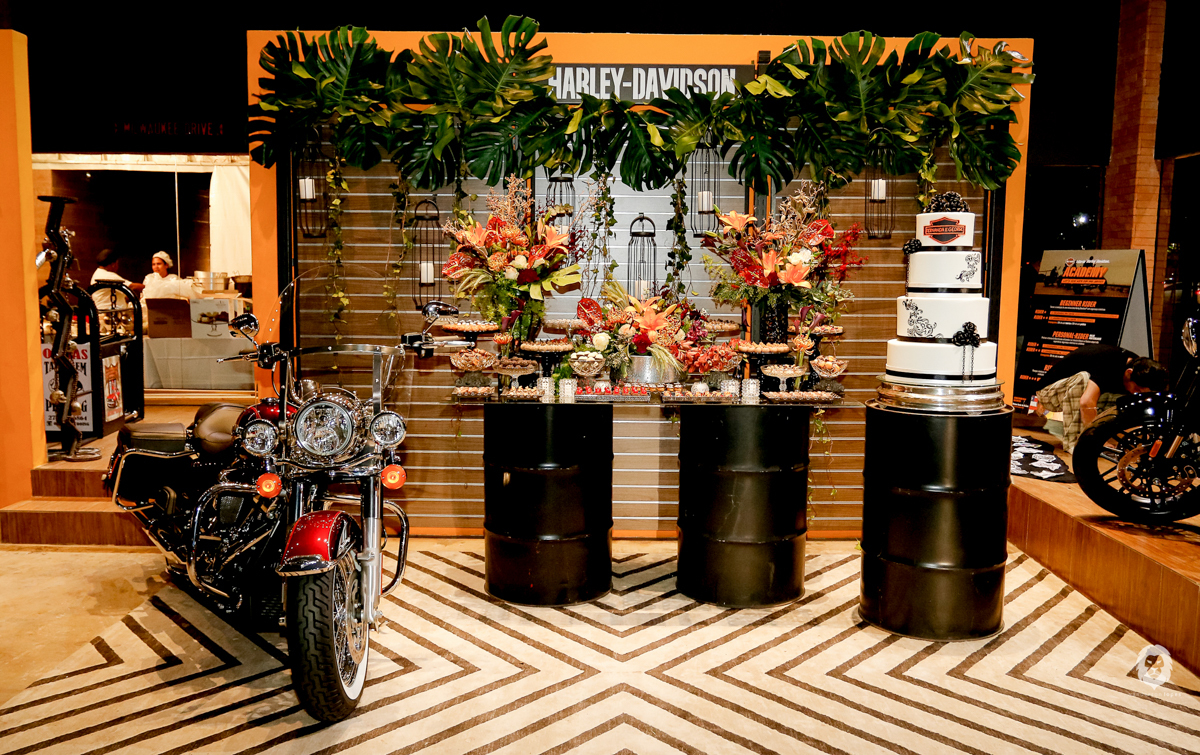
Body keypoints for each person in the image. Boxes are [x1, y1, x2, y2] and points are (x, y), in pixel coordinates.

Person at [1034, 344, 1168, 453]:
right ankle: (1074, 444)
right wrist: (1098, 440)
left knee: (1126, 400)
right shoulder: (1109, 363)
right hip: (1050, 395)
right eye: (1137, 389)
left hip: (1080, 395)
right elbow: (1086, 403)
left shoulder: (1140, 368)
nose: (1136, 393)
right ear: (1129, 373)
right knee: (1083, 380)